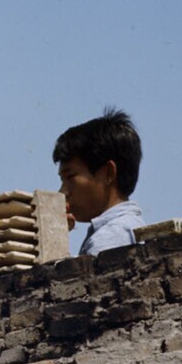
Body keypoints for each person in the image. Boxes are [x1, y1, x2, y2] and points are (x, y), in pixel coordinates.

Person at [53, 108, 144, 255]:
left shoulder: (110, 237)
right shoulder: (128, 227)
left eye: (70, 177)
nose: (62, 192)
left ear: (108, 173)